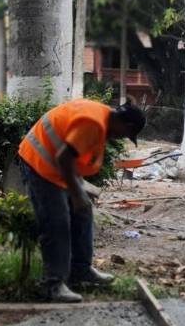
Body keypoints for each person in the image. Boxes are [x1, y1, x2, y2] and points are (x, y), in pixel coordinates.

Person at [18, 99, 146, 303]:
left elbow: (72, 155)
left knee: (83, 211)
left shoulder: (101, 117)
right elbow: (63, 157)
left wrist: (80, 187)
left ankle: (80, 271)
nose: (120, 138)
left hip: (56, 165)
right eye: (125, 134)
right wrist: (77, 194)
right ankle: (52, 285)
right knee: (57, 223)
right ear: (126, 125)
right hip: (40, 164)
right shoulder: (93, 122)